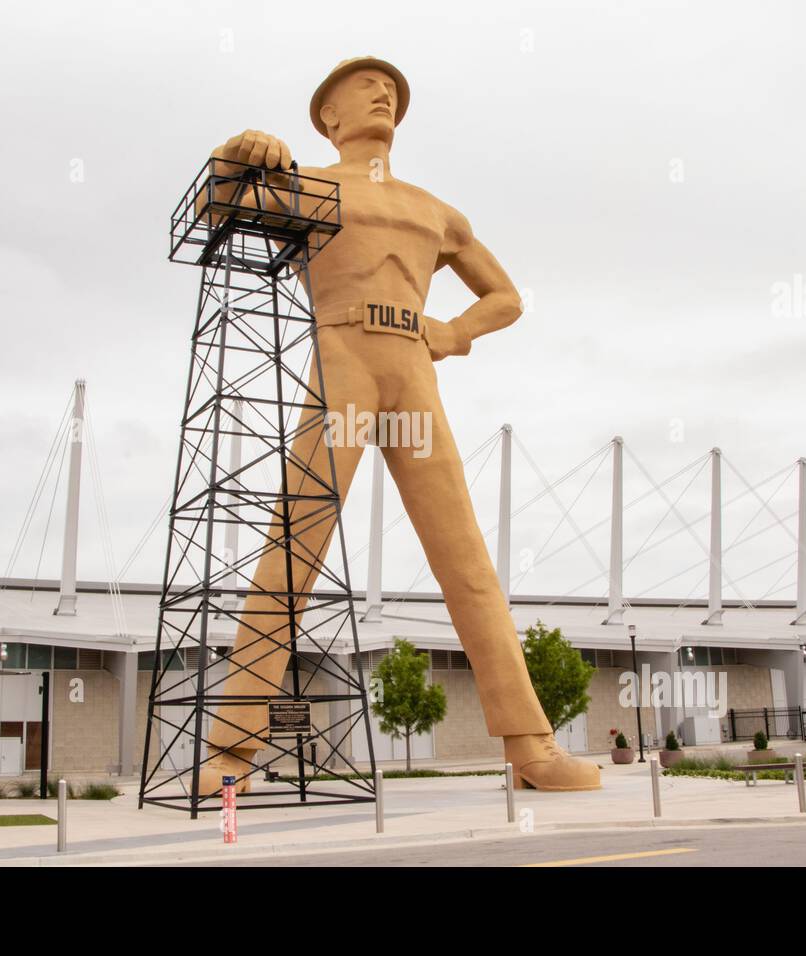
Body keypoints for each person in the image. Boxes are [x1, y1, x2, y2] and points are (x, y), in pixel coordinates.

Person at [198, 57, 600, 793]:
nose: (381, 92)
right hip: (343, 355)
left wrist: (452, 333)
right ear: (330, 118)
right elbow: (217, 206)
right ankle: (229, 750)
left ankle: (531, 744)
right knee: (296, 540)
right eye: (362, 86)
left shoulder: (433, 209)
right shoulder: (306, 184)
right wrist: (236, 151)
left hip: (411, 367)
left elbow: (506, 296)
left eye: (390, 88)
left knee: (466, 559)